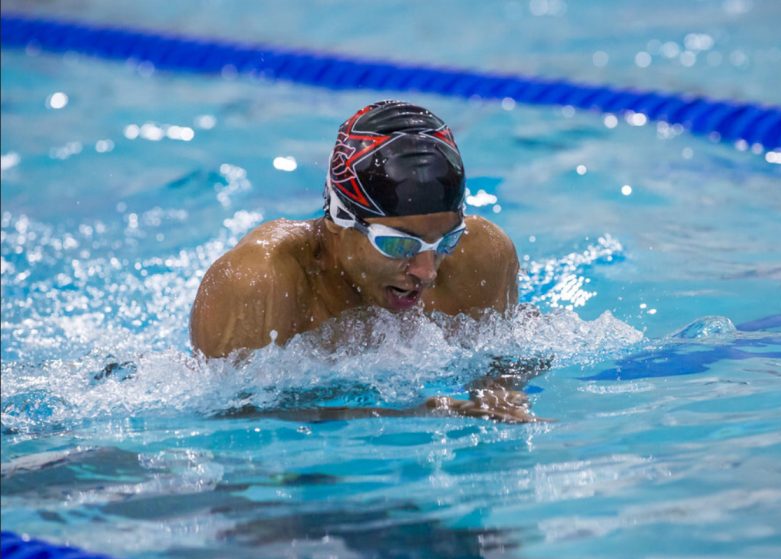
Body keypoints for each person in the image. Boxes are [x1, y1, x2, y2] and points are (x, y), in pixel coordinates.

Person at [190, 100, 539, 422]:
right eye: (399, 244)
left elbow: (501, 367)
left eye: (446, 239)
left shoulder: (480, 257)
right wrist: (415, 413)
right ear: (340, 221)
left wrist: (503, 396)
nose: (428, 271)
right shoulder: (258, 283)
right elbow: (236, 423)